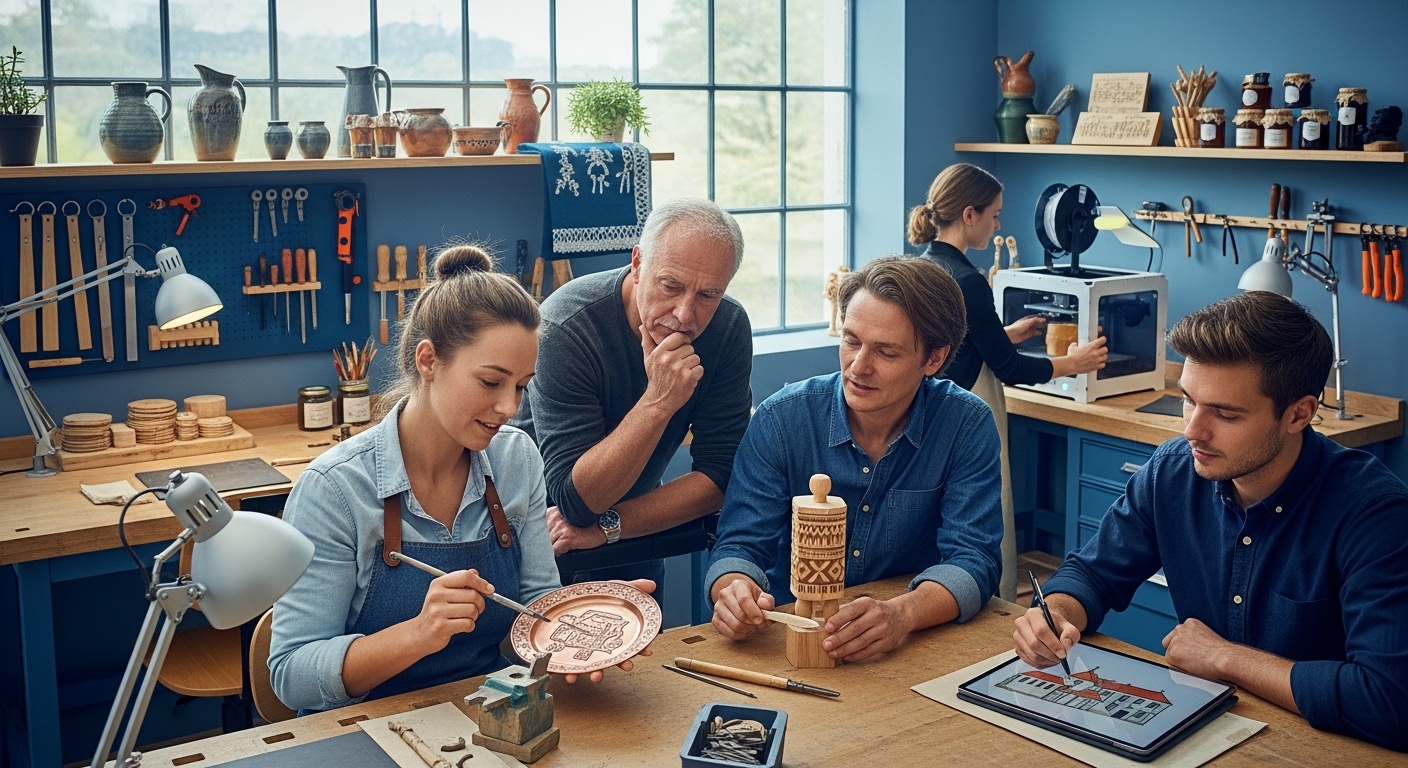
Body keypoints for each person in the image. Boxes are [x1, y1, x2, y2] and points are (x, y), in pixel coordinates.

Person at [1013, 292, 1408, 752]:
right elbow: (1093, 574)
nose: (1192, 431)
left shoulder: (1374, 515)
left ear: (1299, 413)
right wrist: (1056, 612)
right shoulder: (1173, 470)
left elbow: (1390, 701)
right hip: (1205, 733)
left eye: (1225, 413)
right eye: (1188, 401)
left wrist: (1223, 657)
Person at [268, 246, 651, 712]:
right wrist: (418, 634)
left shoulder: (516, 459)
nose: (510, 407)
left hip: (484, 712)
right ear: (428, 361)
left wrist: (589, 621)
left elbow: (534, 611)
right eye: (491, 383)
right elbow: (291, 676)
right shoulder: (335, 489)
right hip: (361, 731)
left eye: (521, 386)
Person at [707, 256, 1003, 663]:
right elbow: (738, 545)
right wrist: (732, 590)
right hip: (787, 644)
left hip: (909, 649)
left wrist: (904, 613)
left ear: (933, 359)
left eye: (886, 352)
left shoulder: (966, 425)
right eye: (851, 341)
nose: (859, 367)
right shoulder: (781, 419)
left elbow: (975, 559)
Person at [511, 198, 753, 584]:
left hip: (634, 538)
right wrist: (659, 400)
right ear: (638, 264)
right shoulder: (566, 327)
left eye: (708, 295)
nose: (685, 315)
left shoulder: (728, 327)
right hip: (544, 546)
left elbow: (722, 475)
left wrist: (611, 526)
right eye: (670, 285)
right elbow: (575, 502)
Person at [911, 163, 1108, 602]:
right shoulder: (969, 282)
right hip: (967, 418)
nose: (998, 224)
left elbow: (955, 341)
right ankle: (991, 604)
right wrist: (1072, 362)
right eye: (994, 214)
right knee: (982, 518)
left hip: (929, 415)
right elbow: (1011, 370)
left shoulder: (925, 268)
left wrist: (1007, 333)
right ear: (968, 215)